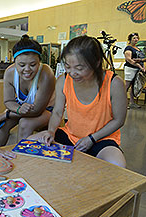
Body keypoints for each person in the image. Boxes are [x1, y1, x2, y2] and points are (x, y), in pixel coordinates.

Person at [29, 35, 127, 168]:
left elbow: (119, 120)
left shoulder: (114, 83)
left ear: (96, 62)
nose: (72, 73)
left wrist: (92, 138)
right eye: (68, 66)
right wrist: (51, 131)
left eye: (80, 68)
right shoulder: (63, 80)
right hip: (71, 135)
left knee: (117, 165)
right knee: (28, 142)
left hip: (101, 138)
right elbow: (57, 112)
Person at [0, 35, 55, 146]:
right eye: (21, 65)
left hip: (47, 110)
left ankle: (21, 159)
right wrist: (17, 110)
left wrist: (7, 115)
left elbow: (37, 110)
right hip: (22, 108)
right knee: (3, 124)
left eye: (33, 65)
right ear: (14, 62)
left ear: (39, 62)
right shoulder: (10, 73)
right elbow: (8, 101)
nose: (27, 70)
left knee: (25, 123)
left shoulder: (46, 74)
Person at [123, 32, 145, 109]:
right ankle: (122, 103)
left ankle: (132, 102)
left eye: (137, 38)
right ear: (130, 40)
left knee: (133, 87)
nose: (136, 39)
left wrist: (142, 67)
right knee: (127, 86)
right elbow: (129, 59)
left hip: (137, 69)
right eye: (134, 38)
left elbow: (141, 60)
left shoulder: (138, 49)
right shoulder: (128, 48)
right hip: (130, 69)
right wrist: (139, 65)